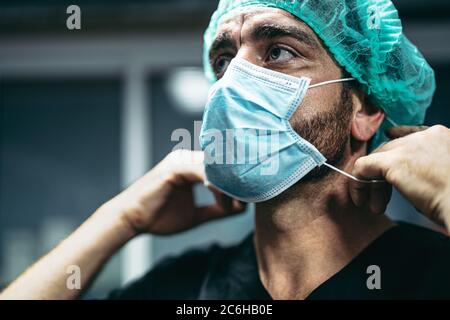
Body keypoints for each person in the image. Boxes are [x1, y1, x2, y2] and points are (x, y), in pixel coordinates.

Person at [1, 0, 449, 300]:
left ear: (366, 108)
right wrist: (121, 218)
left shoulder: (431, 274)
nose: (232, 82)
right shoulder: (189, 288)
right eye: (223, 61)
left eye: (277, 52)